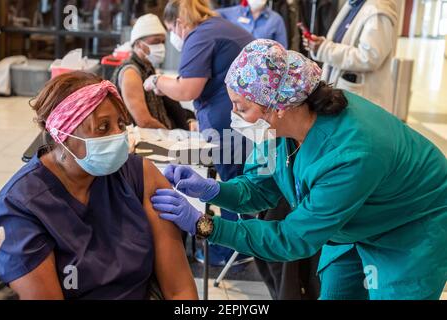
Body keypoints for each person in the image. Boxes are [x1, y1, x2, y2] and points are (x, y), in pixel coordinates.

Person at [151, 39, 447, 300]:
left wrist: (208, 227)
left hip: (410, 227)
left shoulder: (350, 154)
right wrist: (216, 191)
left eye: (241, 108)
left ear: (277, 106)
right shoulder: (278, 130)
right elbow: (259, 188)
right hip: (350, 222)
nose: (234, 118)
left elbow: (293, 238)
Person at [0, 72, 198, 300]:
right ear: (63, 135)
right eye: (103, 127)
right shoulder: (21, 206)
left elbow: (180, 290)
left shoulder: (140, 175)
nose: (118, 136)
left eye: (121, 124)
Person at [143, 0, 255, 267]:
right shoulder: (221, 27)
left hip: (230, 124)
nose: (173, 37)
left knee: (233, 186)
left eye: (171, 30)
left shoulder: (199, 35)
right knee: (244, 182)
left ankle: (233, 249)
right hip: (243, 122)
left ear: (179, 23)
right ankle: (247, 240)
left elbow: (187, 89)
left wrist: (157, 81)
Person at [303, 0, 398, 112]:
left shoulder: (378, 10)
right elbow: (341, 43)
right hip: (345, 97)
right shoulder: (353, 5)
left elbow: (369, 57)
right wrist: (319, 45)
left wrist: (325, 48)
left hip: (362, 101)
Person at [112, 14, 197, 130]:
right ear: (138, 44)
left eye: (162, 42)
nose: (161, 47)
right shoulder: (130, 73)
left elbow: (172, 106)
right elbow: (144, 122)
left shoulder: (149, 69)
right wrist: (171, 136)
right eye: (155, 42)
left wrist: (187, 121)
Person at [218, 0, 288, 48]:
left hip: (263, 66)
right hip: (234, 63)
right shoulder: (230, 13)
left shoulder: (276, 19)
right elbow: (209, 14)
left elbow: (282, 49)